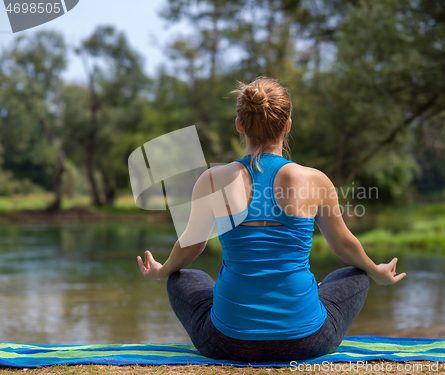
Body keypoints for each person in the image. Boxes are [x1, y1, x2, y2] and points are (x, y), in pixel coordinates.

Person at [137, 77, 406, 362]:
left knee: (184, 276)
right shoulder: (315, 180)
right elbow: (344, 245)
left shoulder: (213, 179)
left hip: (225, 342)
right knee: (356, 274)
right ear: (288, 125)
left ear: (239, 125)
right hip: (306, 341)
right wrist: (376, 271)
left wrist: (162, 270)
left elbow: (191, 246)